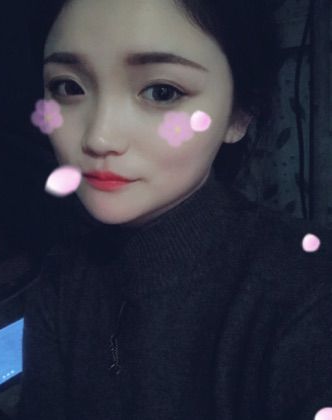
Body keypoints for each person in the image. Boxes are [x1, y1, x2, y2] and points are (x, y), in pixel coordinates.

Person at [17, 0, 332, 419]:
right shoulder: (61, 280)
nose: (99, 137)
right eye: (68, 87)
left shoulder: (310, 289)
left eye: (161, 92)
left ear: (239, 113)